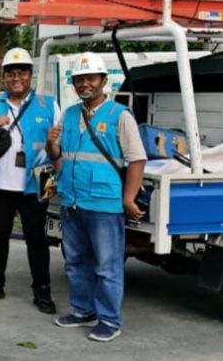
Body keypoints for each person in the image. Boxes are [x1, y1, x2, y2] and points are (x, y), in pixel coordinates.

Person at [46, 52, 146, 342]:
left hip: (104, 204)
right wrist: (52, 145)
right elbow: (58, 157)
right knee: (75, 261)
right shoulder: (70, 114)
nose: (84, 84)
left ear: (103, 81)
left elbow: (137, 160)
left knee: (106, 265)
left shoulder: (120, 116)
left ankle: (110, 320)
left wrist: (129, 198)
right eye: (79, 79)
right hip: (73, 202)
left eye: (90, 78)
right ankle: (82, 311)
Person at [0, 48, 59, 314]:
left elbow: (59, 143)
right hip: (1, 183)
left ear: (30, 75)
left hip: (38, 183)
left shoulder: (48, 104)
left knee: (37, 238)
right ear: (4, 77)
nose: (16, 77)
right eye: (11, 73)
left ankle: (42, 289)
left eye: (22, 72)